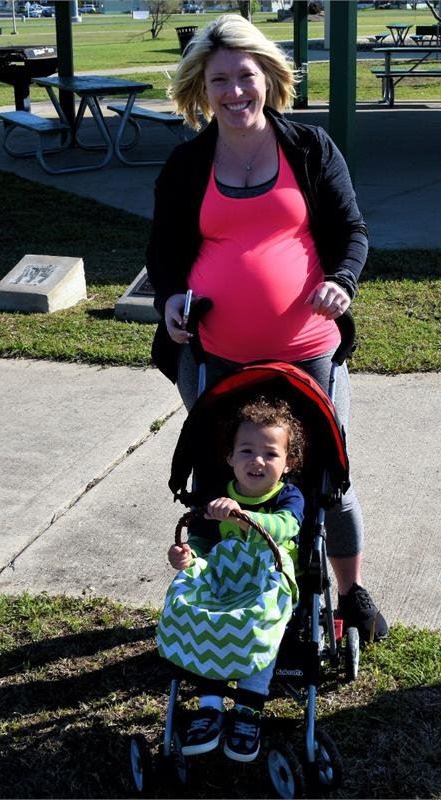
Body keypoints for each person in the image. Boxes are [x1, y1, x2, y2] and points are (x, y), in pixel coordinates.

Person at [145, 14, 387, 645]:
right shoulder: (186, 164)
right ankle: (227, 590)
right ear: (200, 87)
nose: (234, 92)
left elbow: (352, 233)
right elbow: (165, 248)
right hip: (218, 359)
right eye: (218, 79)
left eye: (245, 76)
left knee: (326, 480)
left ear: (269, 78)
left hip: (310, 354)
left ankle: (349, 595)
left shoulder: (310, 148)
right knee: (228, 481)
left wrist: (343, 280)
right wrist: (169, 298)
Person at [162, 397, 305, 762]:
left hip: (270, 586)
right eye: (246, 451)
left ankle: (248, 710)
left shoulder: (288, 497)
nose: (257, 461)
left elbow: (285, 528)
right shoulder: (219, 498)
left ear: (288, 463)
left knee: (259, 630)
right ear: (230, 458)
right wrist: (187, 556)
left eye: (270, 454)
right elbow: (203, 543)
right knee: (208, 622)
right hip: (227, 587)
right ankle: (210, 706)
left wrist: (244, 519)